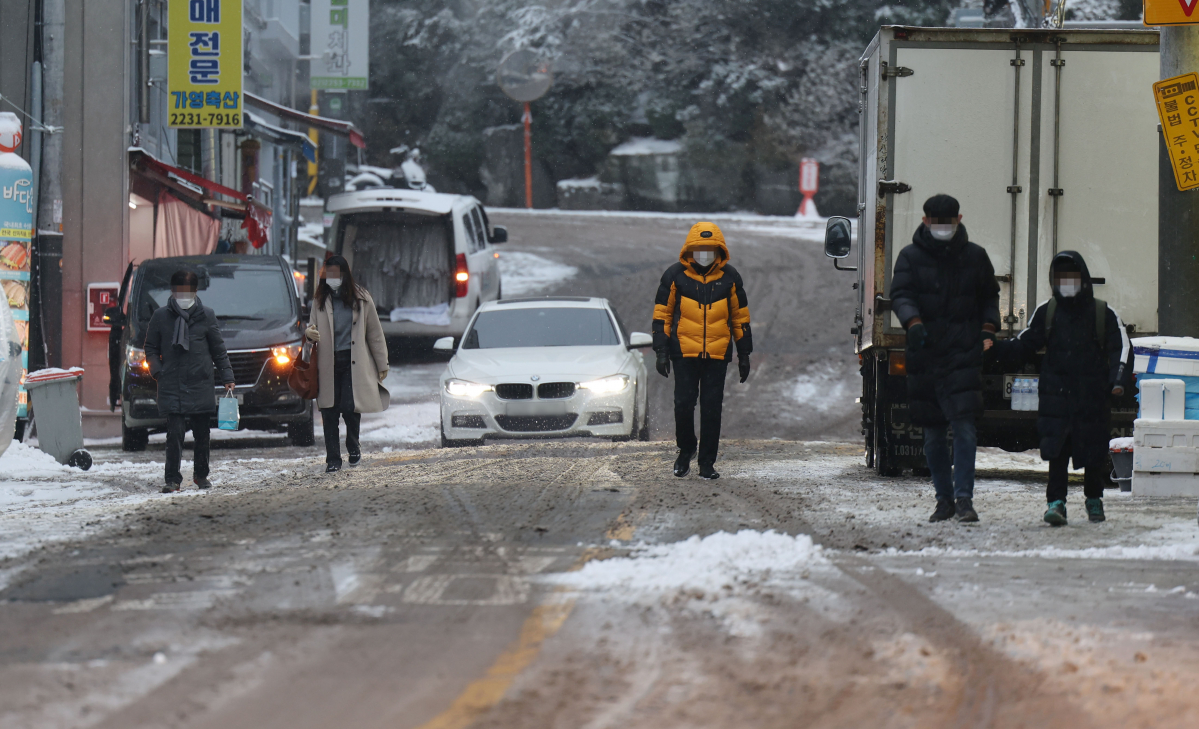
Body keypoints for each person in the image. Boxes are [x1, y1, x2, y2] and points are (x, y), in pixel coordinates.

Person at [992, 251, 1129, 526]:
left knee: (1093, 450)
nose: (1066, 282)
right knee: (1056, 451)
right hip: (1056, 397)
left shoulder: (1103, 312)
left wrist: (1118, 380)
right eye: (1060, 277)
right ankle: (1056, 503)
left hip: (1092, 396)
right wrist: (991, 350)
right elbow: (1024, 344)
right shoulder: (1048, 311)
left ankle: (1094, 499)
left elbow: (1121, 348)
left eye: (1072, 276)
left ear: (1083, 278)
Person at [890, 194, 1000, 523]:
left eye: (947, 223)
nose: (941, 228)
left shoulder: (975, 257)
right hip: (925, 354)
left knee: (964, 428)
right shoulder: (909, 257)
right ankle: (944, 499)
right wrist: (913, 323)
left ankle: (964, 499)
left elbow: (988, 296)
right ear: (925, 222)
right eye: (936, 222)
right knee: (934, 432)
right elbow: (902, 294)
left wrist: (988, 329)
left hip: (963, 352)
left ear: (959, 220)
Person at [652, 221, 752, 480]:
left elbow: (740, 318)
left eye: (710, 248)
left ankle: (707, 462)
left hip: (717, 355)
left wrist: (744, 354)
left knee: (711, 408)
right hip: (684, 352)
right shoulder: (674, 277)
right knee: (683, 405)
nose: (705, 254)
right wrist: (661, 351)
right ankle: (686, 451)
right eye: (700, 248)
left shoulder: (730, 278)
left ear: (719, 250)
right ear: (690, 249)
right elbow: (662, 315)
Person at [142, 270, 235, 493]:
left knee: (202, 434)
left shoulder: (206, 315)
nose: (183, 296)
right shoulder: (161, 316)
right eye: (178, 291)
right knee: (174, 435)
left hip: (200, 382)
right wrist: (158, 371)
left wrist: (228, 377)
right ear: (172, 292)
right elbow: (151, 348)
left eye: (187, 291)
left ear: (195, 292)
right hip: (171, 383)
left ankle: (201, 475)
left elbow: (218, 350)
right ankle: (172, 479)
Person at [304, 255, 389, 473]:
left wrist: (382, 363)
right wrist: (309, 333)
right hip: (327, 364)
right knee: (329, 412)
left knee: (351, 408)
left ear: (344, 275)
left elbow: (374, 333)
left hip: (353, 364)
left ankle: (353, 446)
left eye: (336, 274)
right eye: (328, 273)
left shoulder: (361, 298)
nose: (332, 278)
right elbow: (311, 328)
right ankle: (333, 459)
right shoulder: (320, 300)